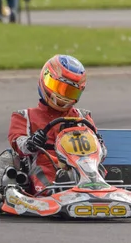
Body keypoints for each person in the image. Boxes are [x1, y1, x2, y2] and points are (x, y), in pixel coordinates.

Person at [8, 54, 107, 194]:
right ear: (46, 79)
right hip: (46, 164)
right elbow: (18, 143)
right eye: (59, 88)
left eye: (70, 92)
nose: (64, 96)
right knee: (45, 175)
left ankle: (99, 190)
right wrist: (31, 142)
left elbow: (101, 150)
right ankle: (56, 192)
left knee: (101, 171)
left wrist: (100, 145)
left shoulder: (82, 116)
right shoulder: (25, 116)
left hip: (85, 166)